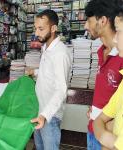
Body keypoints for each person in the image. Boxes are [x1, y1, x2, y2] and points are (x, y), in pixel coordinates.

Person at [84, 0, 123, 149]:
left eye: (88, 21)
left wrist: (106, 128)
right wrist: (95, 108)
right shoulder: (101, 52)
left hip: (111, 138)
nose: (85, 26)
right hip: (93, 129)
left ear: (102, 20)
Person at [27, 9, 71, 150]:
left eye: (41, 29)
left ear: (53, 28)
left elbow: (61, 89)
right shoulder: (46, 47)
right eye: (35, 28)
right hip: (39, 111)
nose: (36, 33)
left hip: (49, 116)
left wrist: (45, 115)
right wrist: (35, 72)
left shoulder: (60, 53)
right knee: (39, 147)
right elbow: (49, 73)